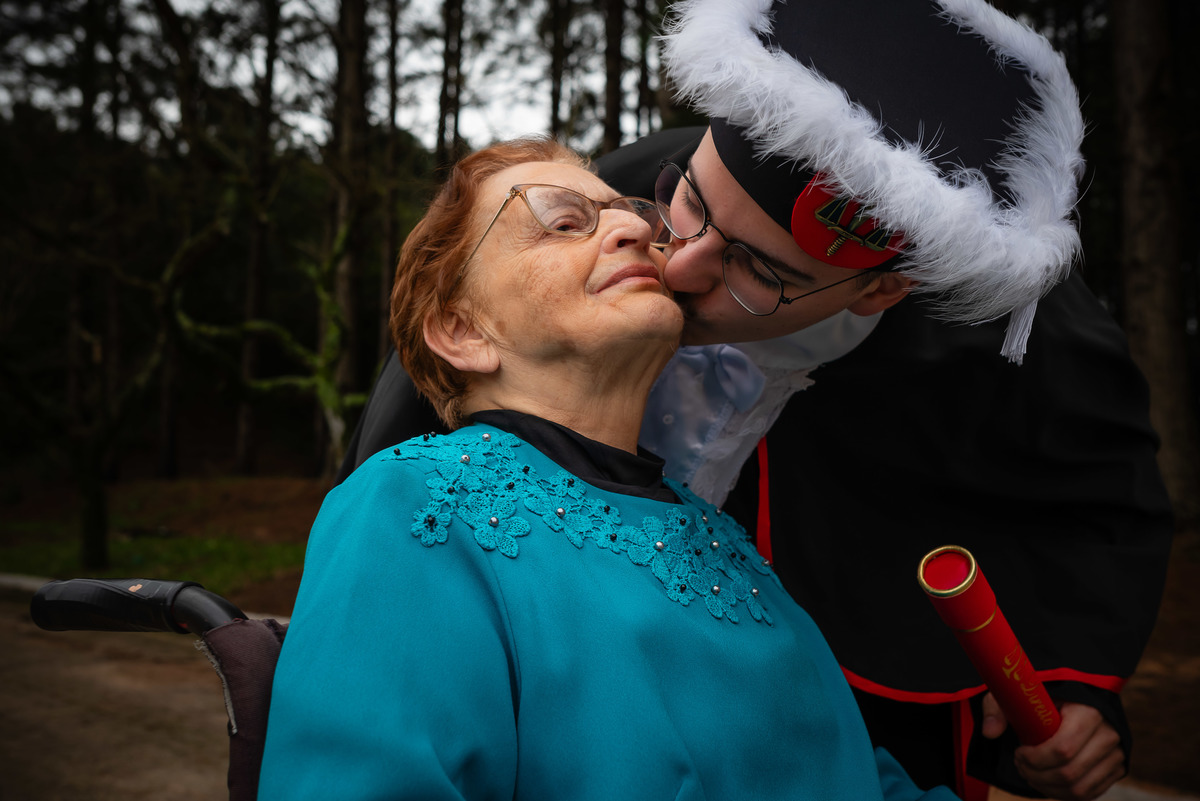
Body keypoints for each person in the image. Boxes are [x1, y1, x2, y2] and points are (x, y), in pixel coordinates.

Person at [335, 1, 1174, 799]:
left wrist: (1072, 677)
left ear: (881, 290)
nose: (674, 262)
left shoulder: (1001, 335)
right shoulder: (615, 208)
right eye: (688, 204)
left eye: (757, 270)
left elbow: (1100, 490)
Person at [256, 137, 959, 800]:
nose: (635, 231)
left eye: (633, 215)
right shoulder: (411, 502)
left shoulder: (725, 540)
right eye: (562, 224)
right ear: (462, 331)